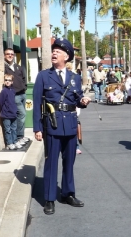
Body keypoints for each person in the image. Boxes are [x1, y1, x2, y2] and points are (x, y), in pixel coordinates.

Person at [33, 38, 91, 215]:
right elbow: (36, 103)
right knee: (51, 163)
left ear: (66, 56)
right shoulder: (44, 76)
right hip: (52, 124)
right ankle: (49, 198)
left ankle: (68, 193)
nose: (54, 53)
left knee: (69, 161)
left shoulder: (74, 77)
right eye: (53, 51)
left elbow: (77, 100)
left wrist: (83, 101)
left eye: (58, 51)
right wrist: (37, 128)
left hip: (71, 125)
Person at [4, 48, 29, 146]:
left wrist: (25, 87)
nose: (10, 56)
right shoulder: (4, 68)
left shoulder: (18, 67)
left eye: (12, 54)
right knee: (22, 115)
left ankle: (21, 137)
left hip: (23, 94)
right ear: (4, 56)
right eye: (7, 54)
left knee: (21, 116)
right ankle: (18, 137)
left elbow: (23, 78)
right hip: (15, 96)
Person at [0, 74, 22, 150]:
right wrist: (4, 110)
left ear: (12, 82)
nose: (7, 82)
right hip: (6, 115)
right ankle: (9, 143)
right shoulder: (3, 91)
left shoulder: (13, 91)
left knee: (14, 129)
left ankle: (15, 141)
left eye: (9, 80)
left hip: (13, 113)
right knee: (7, 130)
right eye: (6, 80)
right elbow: (0, 103)